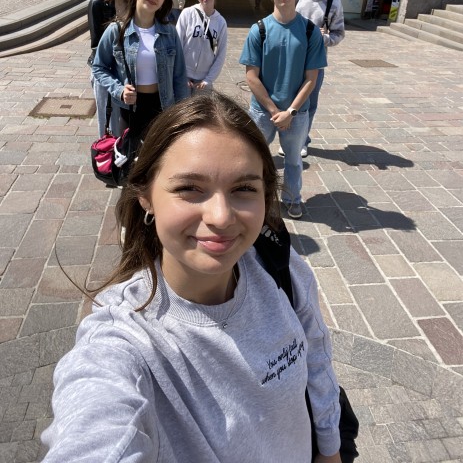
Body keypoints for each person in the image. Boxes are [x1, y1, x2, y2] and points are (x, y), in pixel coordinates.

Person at [41, 92, 341, 463]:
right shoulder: (123, 340)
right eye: (189, 189)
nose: (221, 216)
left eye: (243, 189)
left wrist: (330, 447)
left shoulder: (278, 265)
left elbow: (316, 355)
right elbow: (94, 429)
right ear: (146, 196)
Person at [239, 0, 326, 219]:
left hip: (297, 112)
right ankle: (256, 200)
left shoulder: (309, 31)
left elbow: (311, 79)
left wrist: (291, 111)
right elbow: (251, 76)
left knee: (293, 160)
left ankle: (292, 198)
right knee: (254, 158)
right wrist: (274, 110)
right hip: (263, 111)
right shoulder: (259, 30)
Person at [92, 0, 189, 147]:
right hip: (130, 109)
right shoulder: (116, 30)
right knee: (130, 159)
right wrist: (119, 90)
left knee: (158, 159)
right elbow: (99, 67)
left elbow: (180, 77)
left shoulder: (170, 33)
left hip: (163, 107)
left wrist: (183, 115)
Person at [295, 0, 345, 157]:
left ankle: (301, 141)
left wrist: (323, 39)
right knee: (289, 101)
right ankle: (289, 139)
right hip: (292, 61)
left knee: (309, 104)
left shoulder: (333, 3)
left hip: (315, 64)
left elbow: (338, 34)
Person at [87, 0, 140, 136]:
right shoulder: (98, 2)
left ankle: (122, 148)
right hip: (105, 68)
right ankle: (106, 148)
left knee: (123, 119)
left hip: (125, 69)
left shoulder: (134, 3)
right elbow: (97, 45)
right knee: (106, 116)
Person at [176, 0, 228, 95]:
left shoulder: (221, 22)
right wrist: (181, 74)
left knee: (202, 108)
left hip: (203, 80)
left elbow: (221, 54)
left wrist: (208, 79)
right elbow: (177, 45)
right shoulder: (187, 13)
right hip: (184, 77)